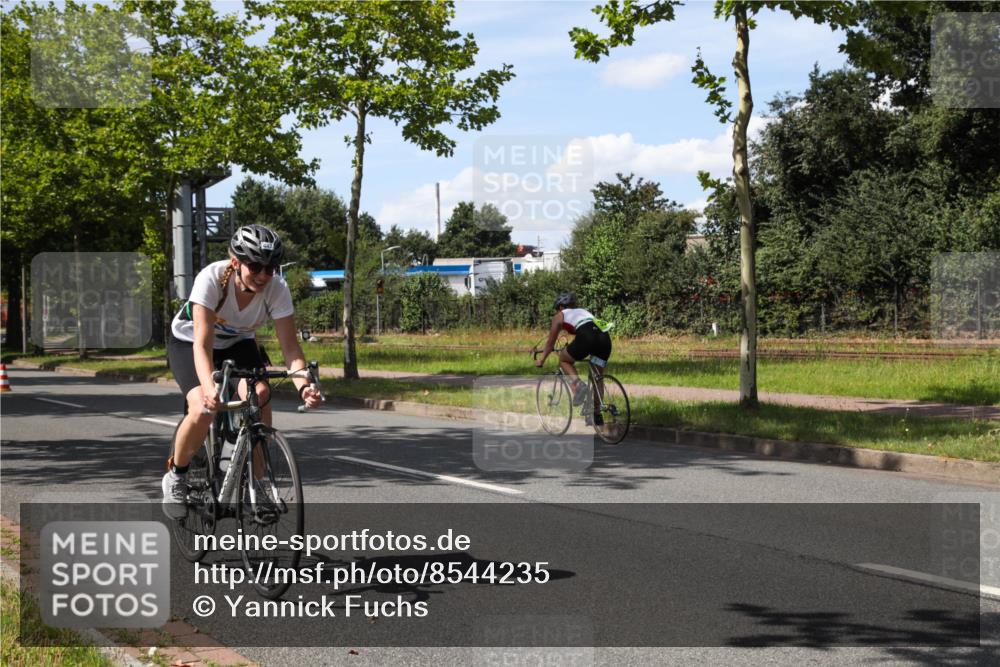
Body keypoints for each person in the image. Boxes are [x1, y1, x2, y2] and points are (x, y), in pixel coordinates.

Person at [162, 224, 322, 518]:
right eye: (255, 266)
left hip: (238, 343)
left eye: (270, 268)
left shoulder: (277, 289)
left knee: (260, 395)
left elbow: (291, 349)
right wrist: (209, 389)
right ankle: (177, 476)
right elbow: (202, 345)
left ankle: (254, 487)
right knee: (202, 409)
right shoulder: (211, 279)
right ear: (236, 262)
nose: (263, 275)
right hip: (189, 341)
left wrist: (304, 386)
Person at [534, 293, 612, 423]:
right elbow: (586, 329)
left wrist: (541, 360)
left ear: (560, 307)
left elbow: (550, 343)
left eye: (557, 309)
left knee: (564, 359)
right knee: (597, 377)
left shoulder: (560, 316)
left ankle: (579, 385)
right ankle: (597, 414)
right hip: (604, 338)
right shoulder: (582, 311)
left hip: (588, 337)